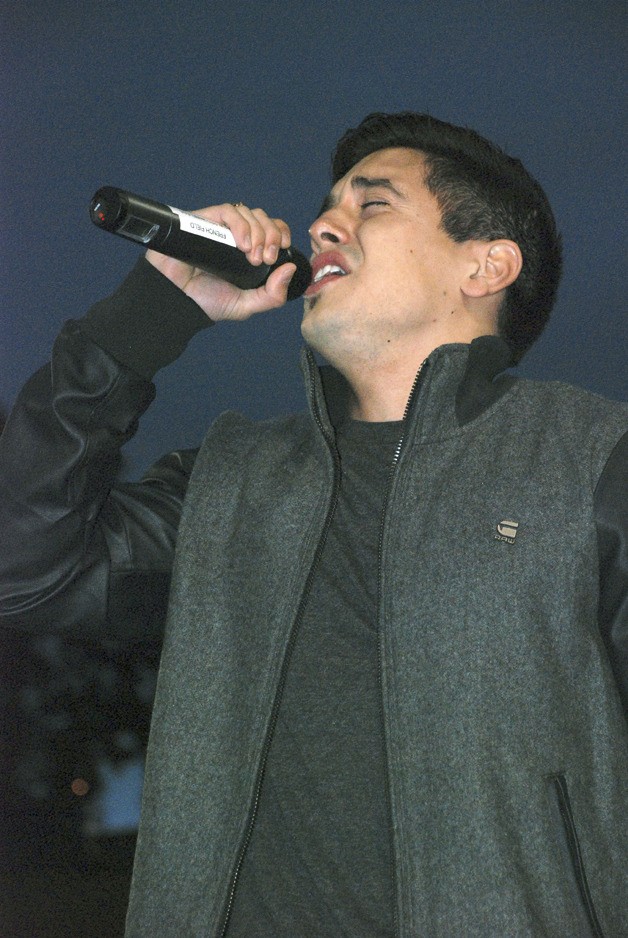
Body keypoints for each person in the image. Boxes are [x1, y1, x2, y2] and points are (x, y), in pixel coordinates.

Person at [0, 112, 626, 937]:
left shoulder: (593, 462)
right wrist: (149, 316)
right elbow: (23, 566)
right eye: (329, 205)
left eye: (373, 205)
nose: (325, 223)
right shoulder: (230, 485)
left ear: (487, 264)